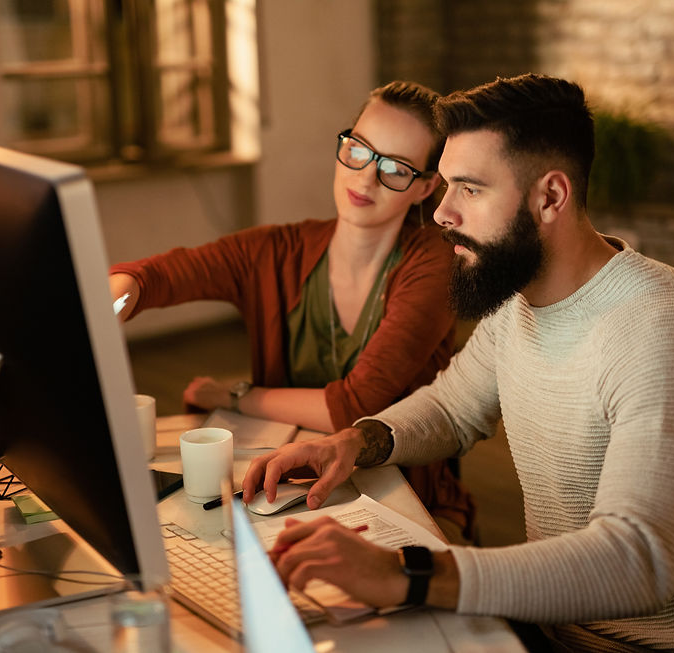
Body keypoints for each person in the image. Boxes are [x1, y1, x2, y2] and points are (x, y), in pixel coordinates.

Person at [242, 73, 674, 651]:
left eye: (468, 189)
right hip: (555, 628)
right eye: (444, 186)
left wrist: (406, 576)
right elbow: (451, 408)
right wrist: (352, 442)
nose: (441, 213)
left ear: (550, 198)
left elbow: (636, 560)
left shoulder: (658, 329)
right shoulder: (521, 298)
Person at [109, 81, 475, 541]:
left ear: (425, 187)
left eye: (395, 168)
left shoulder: (434, 265)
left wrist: (234, 396)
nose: (364, 178)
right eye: (359, 150)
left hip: (399, 494)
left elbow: (355, 407)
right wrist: (121, 294)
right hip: (278, 484)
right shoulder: (280, 250)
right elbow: (158, 276)